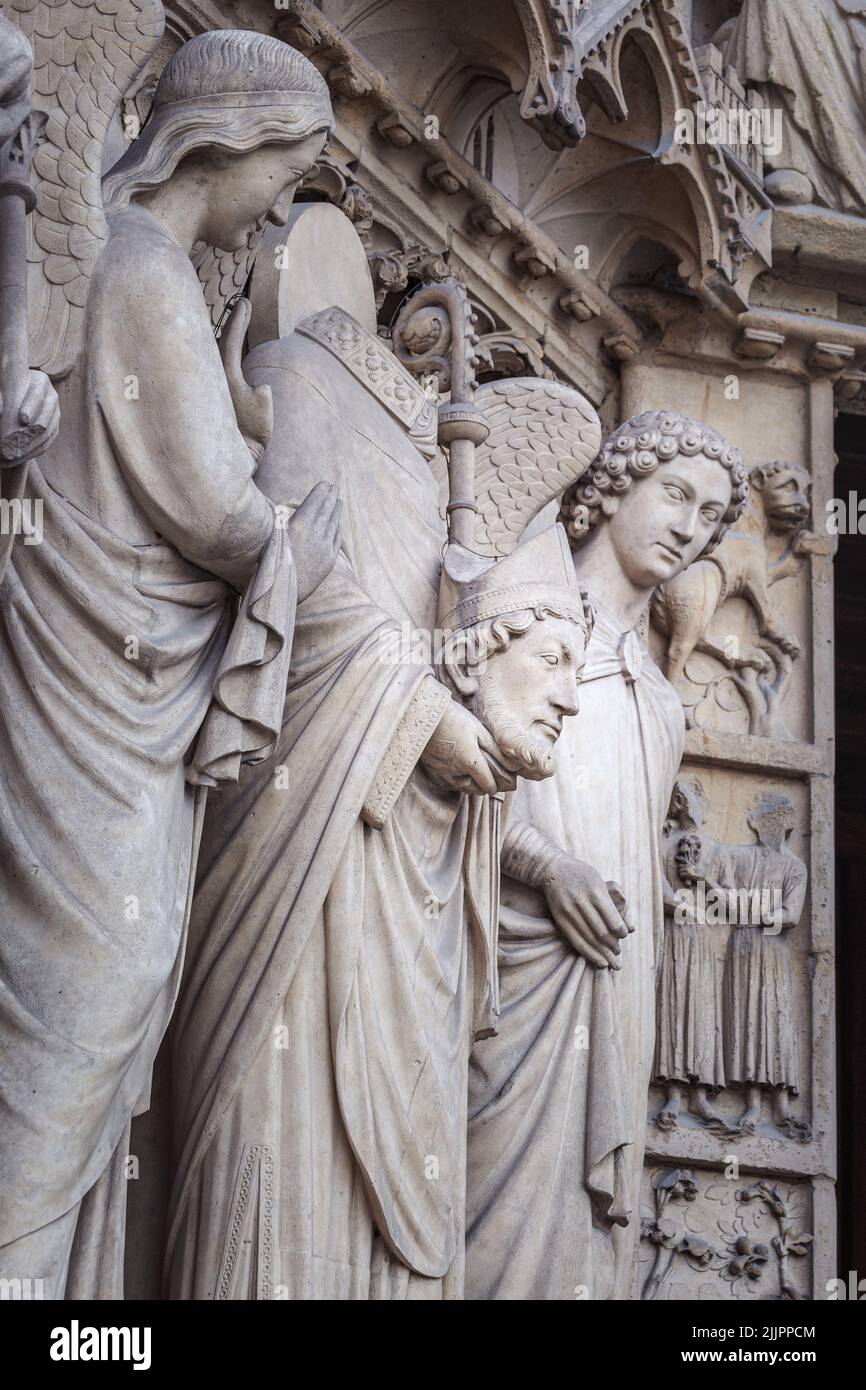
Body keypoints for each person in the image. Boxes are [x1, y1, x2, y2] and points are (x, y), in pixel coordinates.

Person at [0, 31, 340, 1298]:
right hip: (93, 672)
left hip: (128, 673)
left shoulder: (156, 273)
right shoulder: (138, 264)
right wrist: (304, 530)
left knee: (114, 983)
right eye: (291, 169)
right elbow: (207, 503)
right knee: (93, 980)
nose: (283, 203)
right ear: (233, 142)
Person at [466, 410, 748, 1300]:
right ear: (615, 484)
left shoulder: (661, 703)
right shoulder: (526, 613)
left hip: (612, 989)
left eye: (708, 517)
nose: (687, 526)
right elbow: (451, 789)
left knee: (587, 1232)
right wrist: (548, 870)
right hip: (511, 967)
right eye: (674, 493)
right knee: (483, 1191)